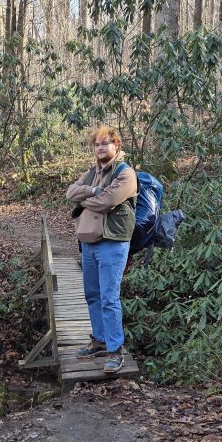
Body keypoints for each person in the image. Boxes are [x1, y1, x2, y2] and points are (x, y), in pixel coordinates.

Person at [66, 126, 138, 374]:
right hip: (89, 243)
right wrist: (93, 190)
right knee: (92, 295)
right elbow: (70, 193)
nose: (100, 148)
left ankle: (115, 350)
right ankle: (99, 341)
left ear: (116, 146)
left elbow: (108, 201)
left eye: (105, 144)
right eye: (96, 144)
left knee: (109, 297)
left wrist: (86, 198)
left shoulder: (125, 174)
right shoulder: (92, 173)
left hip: (112, 242)